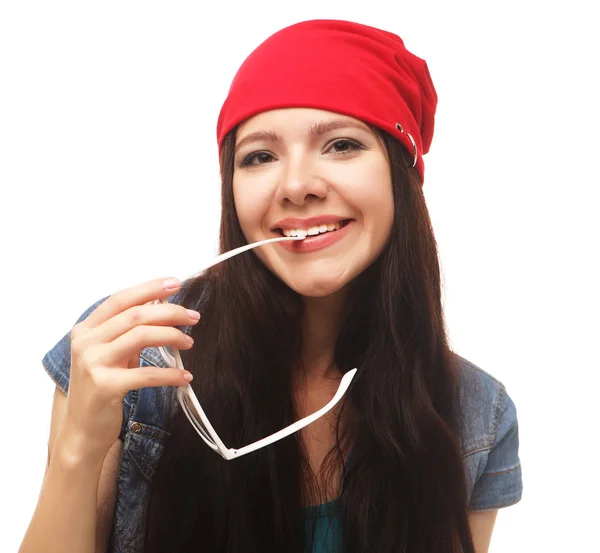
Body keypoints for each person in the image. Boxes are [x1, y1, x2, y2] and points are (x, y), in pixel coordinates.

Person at [20, 19, 522, 553]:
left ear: (402, 172)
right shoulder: (136, 351)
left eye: (342, 145)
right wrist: (76, 450)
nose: (298, 185)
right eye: (259, 156)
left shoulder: (476, 412)